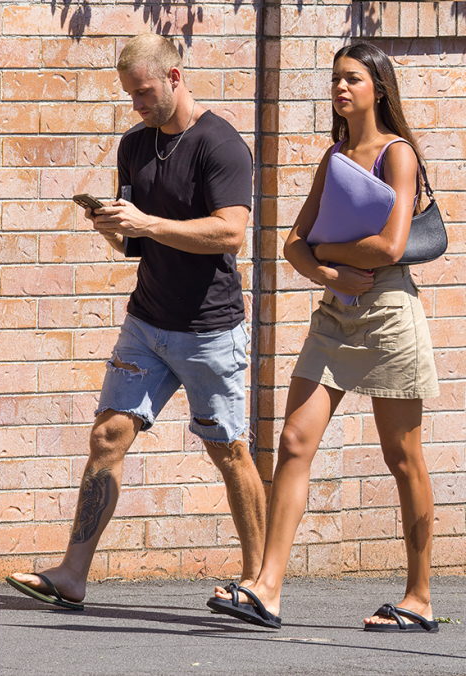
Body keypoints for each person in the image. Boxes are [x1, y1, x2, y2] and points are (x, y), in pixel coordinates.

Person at [6, 33, 266, 610]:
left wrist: (146, 223)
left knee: (228, 450)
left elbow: (229, 233)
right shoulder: (135, 144)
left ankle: (259, 583)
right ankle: (72, 575)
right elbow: (136, 245)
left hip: (209, 328)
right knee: (107, 436)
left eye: (144, 93)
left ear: (174, 77)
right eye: (129, 95)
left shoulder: (220, 145)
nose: (137, 105)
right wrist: (114, 227)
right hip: (147, 322)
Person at [211, 42, 439, 632]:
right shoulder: (335, 155)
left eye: (353, 79)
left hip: (388, 312)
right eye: (336, 79)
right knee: (292, 441)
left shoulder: (398, 154)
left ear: (378, 89)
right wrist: (328, 269)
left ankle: (419, 598)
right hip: (336, 312)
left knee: (402, 457)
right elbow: (292, 244)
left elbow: (390, 247)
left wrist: (326, 250)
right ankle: (266, 589)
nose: (341, 88)